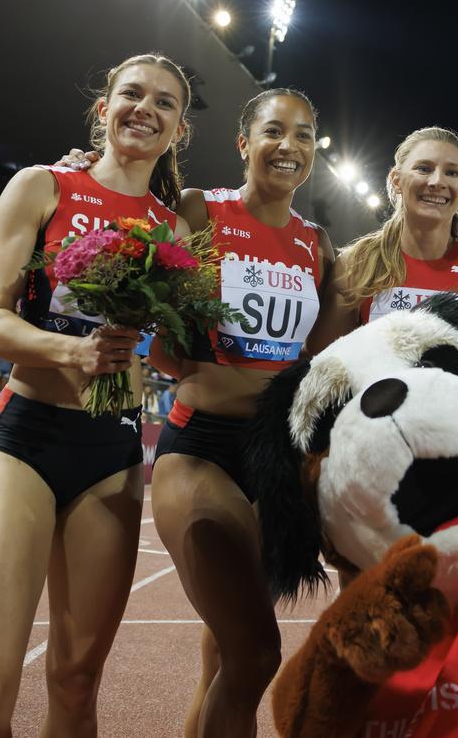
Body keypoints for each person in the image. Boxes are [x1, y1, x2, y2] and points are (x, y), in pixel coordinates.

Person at [61, 86, 332, 736]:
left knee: (222, 654)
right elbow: (134, 255)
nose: (287, 146)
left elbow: (319, 367)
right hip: (203, 447)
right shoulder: (198, 211)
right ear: (244, 144)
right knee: (256, 651)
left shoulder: (319, 246)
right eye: (273, 131)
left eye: (302, 135)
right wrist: (90, 178)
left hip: (274, 460)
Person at [0, 53, 191, 736]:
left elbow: (172, 346)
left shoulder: (173, 233)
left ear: (177, 129)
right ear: (102, 109)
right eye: (132, 94)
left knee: (78, 684)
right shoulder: (42, 186)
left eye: (164, 102)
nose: (145, 108)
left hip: (110, 450)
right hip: (26, 436)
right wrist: (73, 349)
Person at [308, 125, 458, 349]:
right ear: (396, 180)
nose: (437, 182)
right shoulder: (356, 264)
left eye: (451, 173)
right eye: (423, 168)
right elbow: (325, 363)